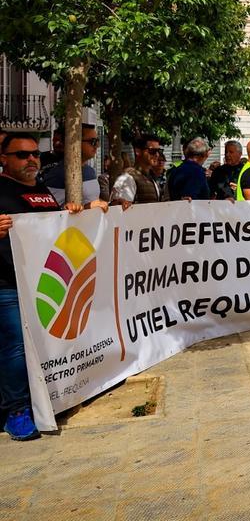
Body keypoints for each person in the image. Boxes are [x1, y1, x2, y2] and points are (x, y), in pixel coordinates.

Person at [0, 132, 107, 441]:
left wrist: (83, 212)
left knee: (45, 343)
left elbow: (55, 228)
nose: (31, 159)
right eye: (22, 155)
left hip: (39, 285)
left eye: (35, 153)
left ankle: (46, 398)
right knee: (14, 350)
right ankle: (16, 411)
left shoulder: (41, 191)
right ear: (3, 159)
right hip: (7, 284)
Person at [41, 123, 102, 205]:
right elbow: (51, 210)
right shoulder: (59, 174)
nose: (97, 146)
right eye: (93, 142)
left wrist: (113, 204)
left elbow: (93, 201)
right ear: (75, 143)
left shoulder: (90, 171)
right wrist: (87, 207)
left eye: (98, 141)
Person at [112, 135, 168, 204]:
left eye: (159, 151)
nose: (157, 155)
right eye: (152, 151)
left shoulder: (151, 177)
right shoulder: (127, 178)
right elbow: (118, 210)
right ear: (138, 151)